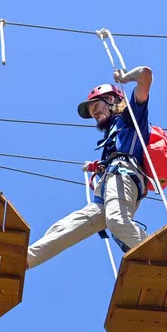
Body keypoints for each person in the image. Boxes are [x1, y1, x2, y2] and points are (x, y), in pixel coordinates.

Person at [26, 66, 153, 269]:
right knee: (66, 227)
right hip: (107, 184)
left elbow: (145, 74)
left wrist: (125, 78)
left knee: (118, 222)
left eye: (96, 108)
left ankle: (159, 256)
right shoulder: (113, 135)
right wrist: (100, 166)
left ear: (112, 100)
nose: (95, 115)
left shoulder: (131, 117)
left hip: (123, 176)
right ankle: (24, 260)